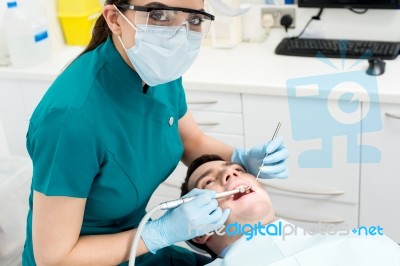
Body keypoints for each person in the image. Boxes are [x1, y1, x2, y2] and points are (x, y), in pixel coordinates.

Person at [22, 1, 289, 265]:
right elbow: (56, 258)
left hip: (136, 245)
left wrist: (238, 157)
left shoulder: (157, 66)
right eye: (159, 15)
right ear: (115, 19)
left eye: (194, 20)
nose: (179, 33)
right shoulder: (71, 119)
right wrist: (157, 233)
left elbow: (190, 140)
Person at [180, 154, 400, 266]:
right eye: (208, 182)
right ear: (200, 231)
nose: (232, 175)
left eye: (238, 169)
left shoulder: (369, 243)